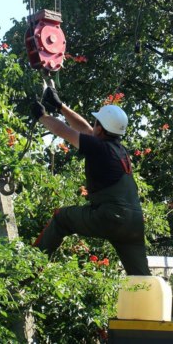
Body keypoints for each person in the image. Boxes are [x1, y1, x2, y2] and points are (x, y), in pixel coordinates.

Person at [29, 86, 150, 276]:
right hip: (134, 223)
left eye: (96, 124)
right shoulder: (118, 149)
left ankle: (29, 270)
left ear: (100, 129)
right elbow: (85, 129)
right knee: (141, 276)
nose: (92, 126)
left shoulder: (98, 147)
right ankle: (152, 294)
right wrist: (60, 107)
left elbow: (63, 130)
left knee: (61, 218)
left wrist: (42, 116)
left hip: (111, 217)